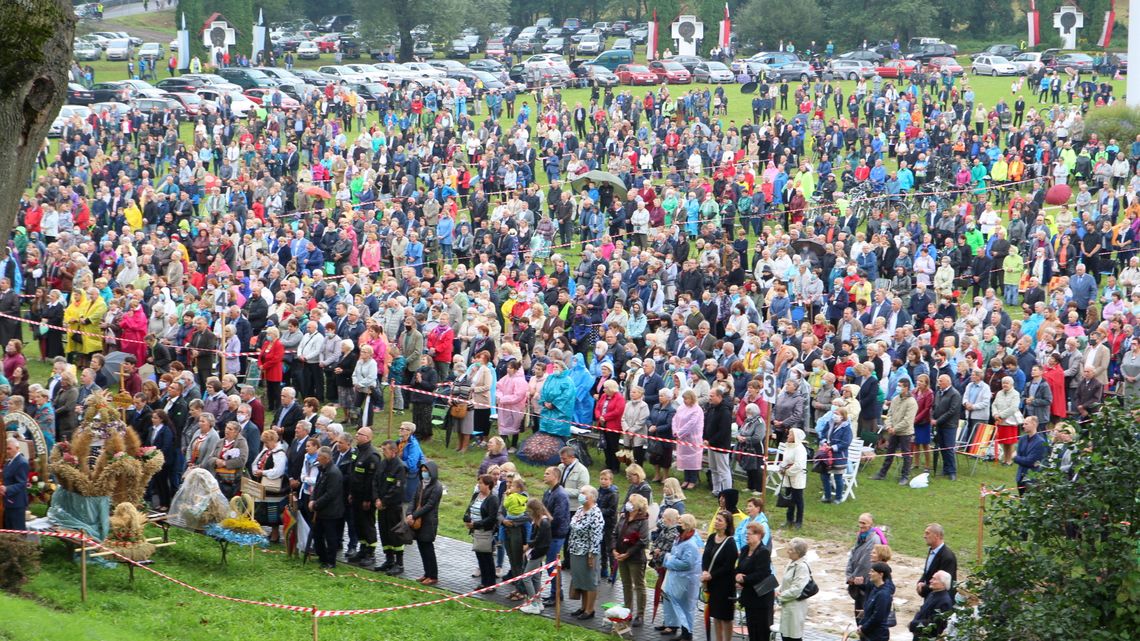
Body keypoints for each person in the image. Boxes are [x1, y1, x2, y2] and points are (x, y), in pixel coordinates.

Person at [660, 513, 702, 640]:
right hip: (678, 578)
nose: (678, 525)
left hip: (687, 580)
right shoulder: (680, 538)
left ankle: (687, 634)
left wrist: (668, 560)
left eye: (681, 523)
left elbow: (686, 563)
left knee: (686, 607)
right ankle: (684, 632)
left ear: (688, 526)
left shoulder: (691, 543)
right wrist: (671, 559)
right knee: (680, 606)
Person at [566, 484, 604, 619]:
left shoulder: (596, 513)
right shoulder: (580, 509)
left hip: (587, 553)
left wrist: (591, 555)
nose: (580, 495)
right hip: (575, 550)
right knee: (580, 580)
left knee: (589, 581)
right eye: (580, 492)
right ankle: (582, 607)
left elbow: (596, 536)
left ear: (592, 497)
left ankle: (590, 610)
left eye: (584, 493)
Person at [845, 513, 890, 623]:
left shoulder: (874, 540)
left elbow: (865, 564)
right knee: (859, 616)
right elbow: (852, 555)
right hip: (857, 581)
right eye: (859, 522)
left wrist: (854, 578)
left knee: (864, 618)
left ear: (871, 524)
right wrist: (849, 575)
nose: (861, 525)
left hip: (864, 584)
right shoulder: (861, 536)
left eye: (864, 523)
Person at [346, 427, 381, 567]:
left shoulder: (372, 455)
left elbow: (372, 480)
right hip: (355, 495)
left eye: (360, 434)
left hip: (366, 498)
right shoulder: (357, 451)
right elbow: (353, 473)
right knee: (358, 524)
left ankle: (370, 553)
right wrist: (350, 493)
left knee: (367, 524)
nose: (356, 435)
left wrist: (368, 499)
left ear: (367, 437)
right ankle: (362, 549)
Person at [614, 493, 650, 627]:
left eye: (631, 502)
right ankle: (627, 610)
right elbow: (615, 533)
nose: (627, 504)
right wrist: (614, 549)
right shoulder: (623, 517)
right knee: (626, 584)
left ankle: (640, 615)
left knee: (639, 585)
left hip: (635, 558)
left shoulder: (643, 520)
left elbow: (643, 541)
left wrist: (628, 554)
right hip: (621, 555)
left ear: (637, 506)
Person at [702, 509, 739, 641]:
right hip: (712, 584)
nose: (716, 522)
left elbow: (728, 566)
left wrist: (711, 575)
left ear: (727, 524)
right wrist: (704, 571)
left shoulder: (730, 543)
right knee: (716, 616)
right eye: (716, 519)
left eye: (720, 520)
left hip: (725, 585)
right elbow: (705, 557)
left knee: (726, 617)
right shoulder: (712, 537)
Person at [735, 521, 775, 641]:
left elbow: (762, 573)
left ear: (759, 535)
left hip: (762, 596)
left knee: (761, 630)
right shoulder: (745, 549)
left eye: (750, 533)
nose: (747, 536)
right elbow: (739, 568)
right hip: (750, 596)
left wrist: (744, 579)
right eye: (746, 533)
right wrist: (736, 576)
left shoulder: (763, 552)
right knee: (752, 629)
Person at [373, 439, 407, 575]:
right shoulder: (382, 463)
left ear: (393, 451)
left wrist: (384, 501)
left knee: (395, 535)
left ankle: (399, 564)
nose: (383, 452)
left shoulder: (400, 467)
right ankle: (389, 559)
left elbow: (396, 489)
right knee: (384, 533)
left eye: (385, 450)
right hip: (381, 506)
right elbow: (375, 481)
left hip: (393, 507)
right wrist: (376, 498)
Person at [874, 378, 916, 484]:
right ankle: (882, 473)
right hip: (893, 431)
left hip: (905, 432)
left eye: (900, 385)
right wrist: (888, 426)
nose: (898, 387)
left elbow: (907, 420)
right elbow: (889, 414)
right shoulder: (896, 399)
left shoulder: (912, 402)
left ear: (906, 388)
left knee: (906, 454)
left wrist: (895, 428)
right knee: (889, 452)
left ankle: (905, 476)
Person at [407, 461, 443, 585]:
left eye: (426, 471)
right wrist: (409, 513)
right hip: (418, 521)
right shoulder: (421, 484)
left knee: (428, 549)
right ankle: (426, 573)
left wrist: (414, 515)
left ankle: (433, 576)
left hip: (428, 522)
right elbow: (413, 499)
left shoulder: (437, 487)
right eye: (422, 471)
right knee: (422, 548)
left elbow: (430, 505)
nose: (424, 473)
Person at [309, 446, 344, 569]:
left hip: (331, 511)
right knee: (317, 535)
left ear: (326, 458)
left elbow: (330, 494)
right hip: (321, 509)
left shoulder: (333, 473)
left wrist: (316, 504)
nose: (317, 458)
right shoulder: (322, 469)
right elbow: (317, 487)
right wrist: (312, 499)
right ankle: (322, 557)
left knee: (330, 537)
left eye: (319, 456)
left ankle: (330, 561)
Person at [465, 473, 500, 590]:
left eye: (481, 483)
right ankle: (484, 582)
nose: (478, 485)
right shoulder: (476, 495)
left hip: (485, 532)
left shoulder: (493, 499)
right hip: (475, 531)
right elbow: (469, 508)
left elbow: (491, 518)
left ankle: (490, 584)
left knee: (487, 558)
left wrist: (475, 524)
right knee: (480, 557)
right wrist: (467, 519)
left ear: (488, 485)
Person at [517, 497, 553, 614]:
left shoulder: (544, 522)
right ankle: (538, 602)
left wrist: (528, 546)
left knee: (526, 577)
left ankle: (533, 604)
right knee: (536, 578)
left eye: (529, 511)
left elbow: (540, 540)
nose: (528, 513)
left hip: (537, 553)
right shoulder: (539, 521)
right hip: (537, 552)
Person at [776, 537, 812, 641]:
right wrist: (779, 589)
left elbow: (797, 589)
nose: (788, 551)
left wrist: (780, 596)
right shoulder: (791, 562)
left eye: (791, 550)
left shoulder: (801, 567)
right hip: (787, 606)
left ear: (798, 553)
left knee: (793, 637)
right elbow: (786, 581)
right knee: (785, 635)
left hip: (795, 608)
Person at [704, 386, 734, 495]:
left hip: (721, 445)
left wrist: (711, 440)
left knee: (723, 470)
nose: (709, 398)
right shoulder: (711, 408)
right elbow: (706, 423)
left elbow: (724, 430)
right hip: (710, 444)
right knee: (713, 468)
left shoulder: (725, 412)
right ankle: (716, 490)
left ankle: (727, 492)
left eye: (712, 396)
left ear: (719, 396)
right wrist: (705, 438)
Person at [819, 406, 852, 503]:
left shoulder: (846, 428)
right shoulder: (830, 424)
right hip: (826, 455)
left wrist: (833, 447)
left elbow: (846, 443)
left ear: (843, 416)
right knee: (824, 475)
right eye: (834, 413)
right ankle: (827, 496)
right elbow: (822, 434)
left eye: (837, 414)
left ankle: (838, 497)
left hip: (839, 456)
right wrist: (824, 442)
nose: (834, 416)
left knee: (838, 477)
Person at [673, 389, 705, 490]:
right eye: (684, 399)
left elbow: (692, 423)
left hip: (693, 439)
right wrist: (675, 431)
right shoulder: (682, 407)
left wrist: (680, 432)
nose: (685, 401)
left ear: (692, 398)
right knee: (685, 459)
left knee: (693, 460)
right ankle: (686, 479)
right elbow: (675, 418)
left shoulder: (697, 410)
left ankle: (693, 480)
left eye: (686, 399)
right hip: (681, 438)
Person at [909, 570, 953, 639]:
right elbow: (922, 611)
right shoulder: (932, 593)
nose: (930, 581)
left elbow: (935, 624)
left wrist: (914, 625)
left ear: (943, 583)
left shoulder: (944, 602)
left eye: (934, 579)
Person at [209, 421, 248, 499]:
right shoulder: (220, 442)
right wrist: (216, 461)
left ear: (236, 432)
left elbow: (242, 460)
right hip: (219, 479)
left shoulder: (241, 443)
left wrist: (225, 463)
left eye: (230, 429)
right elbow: (210, 458)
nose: (227, 430)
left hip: (234, 481)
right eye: (226, 428)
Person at [917, 523, 957, 598]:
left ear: (937, 536)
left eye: (927, 533)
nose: (924, 536)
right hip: (931, 597)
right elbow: (928, 572)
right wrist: (921, 581)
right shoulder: (932, 550)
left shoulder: (948, 557)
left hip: (940, 602)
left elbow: (943, 584)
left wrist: (923, 589)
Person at [857, 562, 894, 641]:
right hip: (869, 633)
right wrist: (861, 624)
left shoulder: (883, 594)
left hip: (877, 636)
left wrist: (864, 628)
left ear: (881, 574)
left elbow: (878, 617)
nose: (869, 573)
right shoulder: (875, 589)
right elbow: (869, 611)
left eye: (873, 571)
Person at [1012, 416, 1048, 495]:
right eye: (1023, 424)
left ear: (1034, 424)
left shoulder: (1040, 442)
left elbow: (1031, 461)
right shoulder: (1022, 439)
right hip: (1020, 477)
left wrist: (1015, 458)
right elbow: (1020, 455)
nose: (1023, 426)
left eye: (1026, 424)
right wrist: (1019, 458)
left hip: (1031, 479)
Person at [780, 428, 808, 528]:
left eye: (790, 435)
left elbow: (799, 465)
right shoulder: (788, 447)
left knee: (798, 500)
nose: (788, 436)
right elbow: (785, 460)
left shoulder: (800, 449)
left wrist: (787, 471)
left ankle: (799, 521)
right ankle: (789, 519)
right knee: (789, 498)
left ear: (795, 437)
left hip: (797, 477)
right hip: (788, 476)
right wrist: (782, 467)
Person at [736, 403, 767, 491]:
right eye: (746, 412)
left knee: (757, 468)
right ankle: (750, 486)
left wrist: (746, 439)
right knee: (749, 467)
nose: (747, 414)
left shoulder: (760, 422)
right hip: (746, 447)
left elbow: (758, 437)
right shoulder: (747, 420)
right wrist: (739, 436)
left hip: (757, 448)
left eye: (749, 412)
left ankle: (759, 489)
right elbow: (740, 430)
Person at [2, 436, 29, 530]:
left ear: (17, 448)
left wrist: (6, 489)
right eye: (5, 448)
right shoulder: (9, 462)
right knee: (9, 530)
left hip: (17, 503)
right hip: (8, 502)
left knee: (17, 530)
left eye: (9, 448)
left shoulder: (22, 462)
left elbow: (22, 483)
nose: (7, 451)